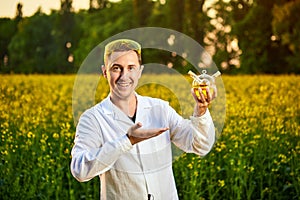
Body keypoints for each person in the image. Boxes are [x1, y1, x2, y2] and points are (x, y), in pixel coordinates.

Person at [70, 39, 216, 200]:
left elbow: (200, 146)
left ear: (140, 71)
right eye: (116, 68)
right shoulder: (92, 119)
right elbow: (80, 170)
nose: (124, 76)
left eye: (131, 68)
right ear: (105, 72)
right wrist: (126, 141)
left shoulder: (160, 109)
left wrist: (201, 110)